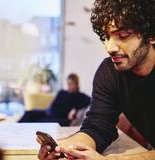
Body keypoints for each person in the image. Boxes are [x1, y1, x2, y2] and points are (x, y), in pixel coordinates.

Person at [37, 0, 155, 159]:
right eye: (106, 37)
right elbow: (98, 126)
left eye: (123, 35)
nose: (110, 47)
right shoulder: (109, 72)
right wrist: (63, 148)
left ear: (151, 35)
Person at [19, 73, 91, 126]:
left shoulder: (81, 96)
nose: (70, 86)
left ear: (77, 84)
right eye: (68, 84)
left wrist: (75, 109)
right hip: (48, 113)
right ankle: (15, 129)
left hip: (60, 119)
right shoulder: (62, 92)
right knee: (29, 113)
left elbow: (91, 100)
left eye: (72, 84)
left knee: (37, 122)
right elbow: (53, 104)